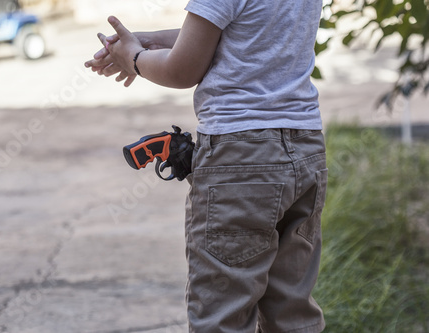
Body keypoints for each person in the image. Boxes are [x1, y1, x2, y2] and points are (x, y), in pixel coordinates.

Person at [85, 0, 328, 332]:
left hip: (241, 159)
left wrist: (136, 59)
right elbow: (243, 30)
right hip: (305, 149)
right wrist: (147, 41)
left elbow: (182, 70)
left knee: (223, 313)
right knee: (291, 309)